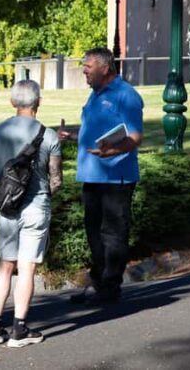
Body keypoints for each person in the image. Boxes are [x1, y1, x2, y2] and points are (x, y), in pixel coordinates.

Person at [59, 47, 144, 305]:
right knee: (93, 232)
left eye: (88, 66)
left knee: (113, 233)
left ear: (105, 68)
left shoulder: (126, 95)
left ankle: (110, 287)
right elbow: (95, 133)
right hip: (92, 174)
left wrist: (113, 151)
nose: (84, 71)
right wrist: (73, 136)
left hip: (116, 176)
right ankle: (98, 283)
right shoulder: (95, 94)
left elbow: (135, 136)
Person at [0, 80, 62, 348]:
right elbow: (56, 179)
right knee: (27, 267)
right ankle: (19, 329)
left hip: (7, 206)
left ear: (12, 102)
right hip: (36, 206)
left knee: (5, 265)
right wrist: (47, 194)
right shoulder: (49, 135)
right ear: (38, 102)